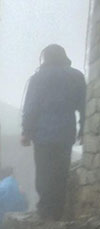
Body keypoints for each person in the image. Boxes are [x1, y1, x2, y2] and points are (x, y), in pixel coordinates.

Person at [21, 44, 86, 220]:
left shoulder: (38, 78)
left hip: (42, 134)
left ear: (45, 58)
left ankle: (45, 209)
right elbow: (83, 105)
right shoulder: (77, 77)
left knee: (44, 171)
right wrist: (83, 129)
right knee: (61, 171)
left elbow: (31, 107)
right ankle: (57, 210)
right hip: (65, 132)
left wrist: (26, 131)